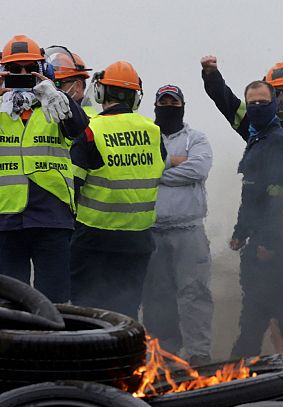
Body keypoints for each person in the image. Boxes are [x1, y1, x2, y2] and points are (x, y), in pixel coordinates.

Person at [201, 56, 283, 330]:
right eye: (276, 93)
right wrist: (212, 76)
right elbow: (228, 104)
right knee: (273, 302)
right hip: (272, 229)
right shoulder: (258, 129)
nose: (282, 99)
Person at [70, 61, 166, 320]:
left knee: (84, 312)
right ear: (136, 96)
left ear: (100, 93)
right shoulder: (153, 131)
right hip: (138, 240)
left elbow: (73, 187)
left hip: (93, 238)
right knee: (125, 313)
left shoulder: (91, 131)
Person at [0, 35, 88, 303]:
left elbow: (79, 128)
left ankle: (55, 346)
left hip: (51, 217)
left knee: (55, 303)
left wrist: (56, 93)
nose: (23, 74)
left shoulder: (55, 106)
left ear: (44, 71)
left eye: (31, 68)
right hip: (6, 220)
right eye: (15, 69)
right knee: (10, 305)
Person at [141, 85, 214, 365]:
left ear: (183, 105)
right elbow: (141, 170)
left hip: (190, 230)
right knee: (157, 296)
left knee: (195, 293)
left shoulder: (197, 139)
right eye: (164, 101)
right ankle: (164, 355)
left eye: (174, 101)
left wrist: (158, 170)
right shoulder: (145, 136)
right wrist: (174, 165)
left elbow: (198, 169)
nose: (168, 105)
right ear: (156, 106)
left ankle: (199, 353)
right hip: (152, 230)